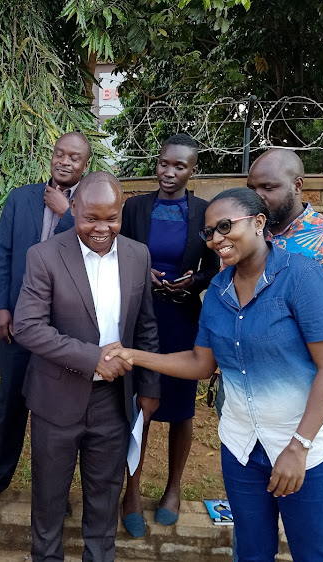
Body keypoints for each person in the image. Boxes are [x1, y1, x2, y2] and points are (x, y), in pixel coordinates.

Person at [108, 188, 323, 561]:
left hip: (310, 449)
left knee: (313, 553)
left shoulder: (303, 278)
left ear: (258, 223)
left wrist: (298, 446)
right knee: (251, 552)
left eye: (225, 226)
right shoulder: (220, 289)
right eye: (208, 233)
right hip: (243, 447)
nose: (216, 239)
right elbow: (202, 363)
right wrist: (134, 355)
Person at [13, 171, 160, 562]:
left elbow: (145, 326)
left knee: (104, 499)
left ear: (121, 212)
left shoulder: (137, 254)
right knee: (48, 500)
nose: (101, 228)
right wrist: (91, 357)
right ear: (73, 208)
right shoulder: (43, 255)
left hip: (113, 401)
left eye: (111, 218)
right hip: (56, 399)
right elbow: (27, 326)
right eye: (90, 218)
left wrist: (150, 387)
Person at [0, 131, 91, 520]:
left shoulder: (89, 208)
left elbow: (94, 251)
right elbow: (2, 254)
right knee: (9, 406)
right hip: (20, 324)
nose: (64, 161)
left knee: (59, 415)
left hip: (65, 332)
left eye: (74, 158)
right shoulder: (20, 197)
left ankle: (55, 492)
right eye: (60, 153)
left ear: (85, 166)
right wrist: (1, 307)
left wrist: (68, 214)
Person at [119, 133, 219, 533]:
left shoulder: (204, 212)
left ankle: (173, 487)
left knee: (180, 408)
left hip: (181, 319)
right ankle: (132, 491)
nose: (169, 172)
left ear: (193, 170)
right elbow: (116, 251)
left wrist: (195, 280)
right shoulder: (136, 208)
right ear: (156, 162)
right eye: (164, 163)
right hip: (139, 318)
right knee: (140, 406)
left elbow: (217, 264)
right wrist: (142, 271)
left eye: (180, 166)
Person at [246, 148, 323, 378]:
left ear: (297, 185)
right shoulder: (243, 235)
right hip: (242, 379)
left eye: (268, 187)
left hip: (303, 380)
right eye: (252, 188)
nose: (257, 197)